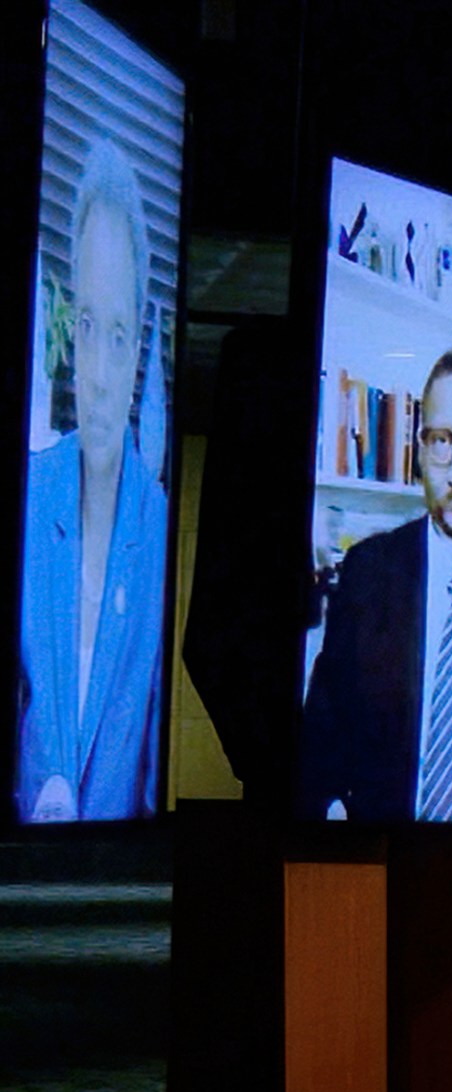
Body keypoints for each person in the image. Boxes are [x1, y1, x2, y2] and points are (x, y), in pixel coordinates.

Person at [299, 346, 452, 823]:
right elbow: (319, 736)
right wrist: (327, 813)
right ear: (419, 450)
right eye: (441, 442)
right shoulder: (368, 570)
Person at [16, 137, 168, 823]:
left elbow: (153, 765)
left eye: (117, 334)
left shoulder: (158, 527)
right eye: (85, 325)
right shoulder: (30, 495)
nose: (100, 377)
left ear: (139, 345)